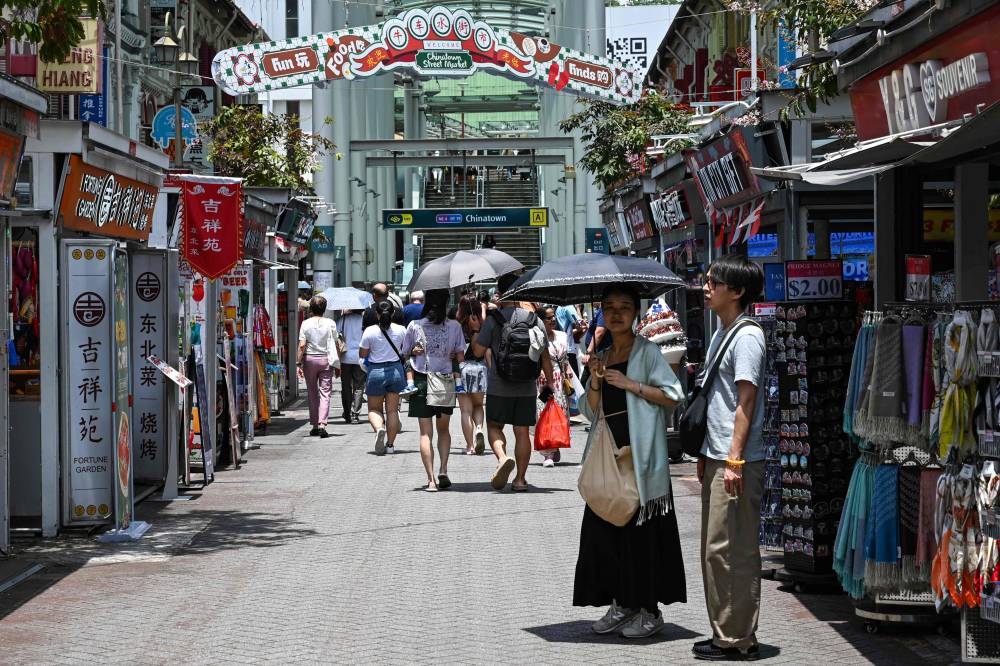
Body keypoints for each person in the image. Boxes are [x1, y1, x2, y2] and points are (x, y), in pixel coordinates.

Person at [574, 284, 686, 639]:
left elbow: (673, 396)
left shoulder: (647, 351)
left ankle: (649, 610)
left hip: (641, 462)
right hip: (609, 460)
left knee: (642, 541)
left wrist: (630, 383)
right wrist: (594, 380)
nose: (617, 313)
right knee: (604, 538)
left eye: (624, 307)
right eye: (609, 307)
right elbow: (591, 413)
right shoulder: (602, 355)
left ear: (636, 313)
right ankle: (622, 604)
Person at [693, 254, 766, 661]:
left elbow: (746, 399)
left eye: (714, 282)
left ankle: (738, 640)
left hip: (737, 460)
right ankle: (725, 631)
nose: (706, 288)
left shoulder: (747, 337)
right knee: (715, 549)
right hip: (718, 455)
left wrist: (734, 458)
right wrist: (708, 454)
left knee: (732, 549)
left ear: (737, 292)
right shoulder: (724, 331)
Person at [472, 272, 555, 492]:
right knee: (521, 431)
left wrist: (476, 331)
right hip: (527, 385)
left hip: (499, 384)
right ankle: (520, 480)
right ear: (520, 291)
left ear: (499, 293)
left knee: (494, 427)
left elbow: (478, 351)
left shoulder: (493, 320)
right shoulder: (533, 318)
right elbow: (544, 354)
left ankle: (501, 458)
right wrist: (550, 382)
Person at [402, 290, 467, 492]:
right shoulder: (455, 326)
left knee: (425, 434)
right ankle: (443, 469)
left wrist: (414, 352)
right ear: (447, 303)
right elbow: (460, 357)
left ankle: (430, 480)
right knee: (444, 430)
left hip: (421, 381)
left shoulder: (415, 325)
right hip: (445, 382)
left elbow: (404, 354)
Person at [359, 300, 407, 456]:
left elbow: (362, 354)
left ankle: (380, 429)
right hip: (396, 371)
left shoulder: (369, 331)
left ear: (377, 314)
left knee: (374, 409)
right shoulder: (401, 330)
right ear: (393, 313)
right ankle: (391, 445)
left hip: (376, 371)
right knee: (392, 411)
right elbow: (405, 351)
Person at [296, 295, 341, 438]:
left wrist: (298, 363)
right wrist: (338, 363)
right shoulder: (331, 323)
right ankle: (322, 424)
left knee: (312, 393)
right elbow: (336, 344)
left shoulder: (305, 323)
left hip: (310, 360)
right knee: (325, 392)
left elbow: (302, 345)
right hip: (326, 360)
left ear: (311, 308)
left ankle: (315, 425)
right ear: (324, 308)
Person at [536, 306, 574, 467]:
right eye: (548, 318)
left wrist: (569, 373)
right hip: (543, 381)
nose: (553, 321)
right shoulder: (536, 337)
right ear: (541, 321)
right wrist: (540, 372)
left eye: (553, 318)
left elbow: (565, 360)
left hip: (560, 380)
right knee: (544, 415)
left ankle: (555, 443)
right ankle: (547, 453)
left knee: (560, 414)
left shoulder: (562, 336)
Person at [457, 293, 488, 455]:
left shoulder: (456, 325)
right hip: (480, 369)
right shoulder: (483, 325)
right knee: (478, 405)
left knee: (465, 410)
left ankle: (470, 446)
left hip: (462, 370)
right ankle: (479, 428)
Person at [339, 308, 365, 424]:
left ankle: (347, 412)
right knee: (359, 386)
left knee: (346, 386)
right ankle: (355, 414)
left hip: (345, 356)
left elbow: (335, 334)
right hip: (360, 357)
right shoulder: (364, 320)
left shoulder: (343, 319)